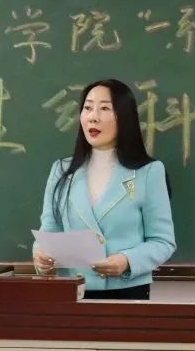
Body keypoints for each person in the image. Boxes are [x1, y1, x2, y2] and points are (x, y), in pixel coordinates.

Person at [33, 78, 176, 300]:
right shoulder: (62, 171)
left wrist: (127, 261)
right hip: (70, 291)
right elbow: (49, 231)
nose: (93, 116)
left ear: (124, 117)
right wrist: (41, 257)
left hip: (127, 291)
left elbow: (163, 241)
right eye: (88, 108)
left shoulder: (148, 172)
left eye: (104, 108)